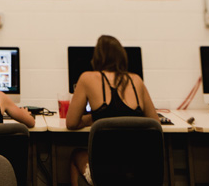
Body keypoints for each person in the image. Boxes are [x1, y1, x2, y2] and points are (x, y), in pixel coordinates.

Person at [67, 35, 158, 185]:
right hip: (140, 172)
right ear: (122, 56)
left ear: (97, 57)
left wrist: (95, 117)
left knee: (75, 154)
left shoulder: (87, 78)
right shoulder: (136, 80)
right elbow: (155, 125)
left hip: (104, 175)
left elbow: (71, 123)